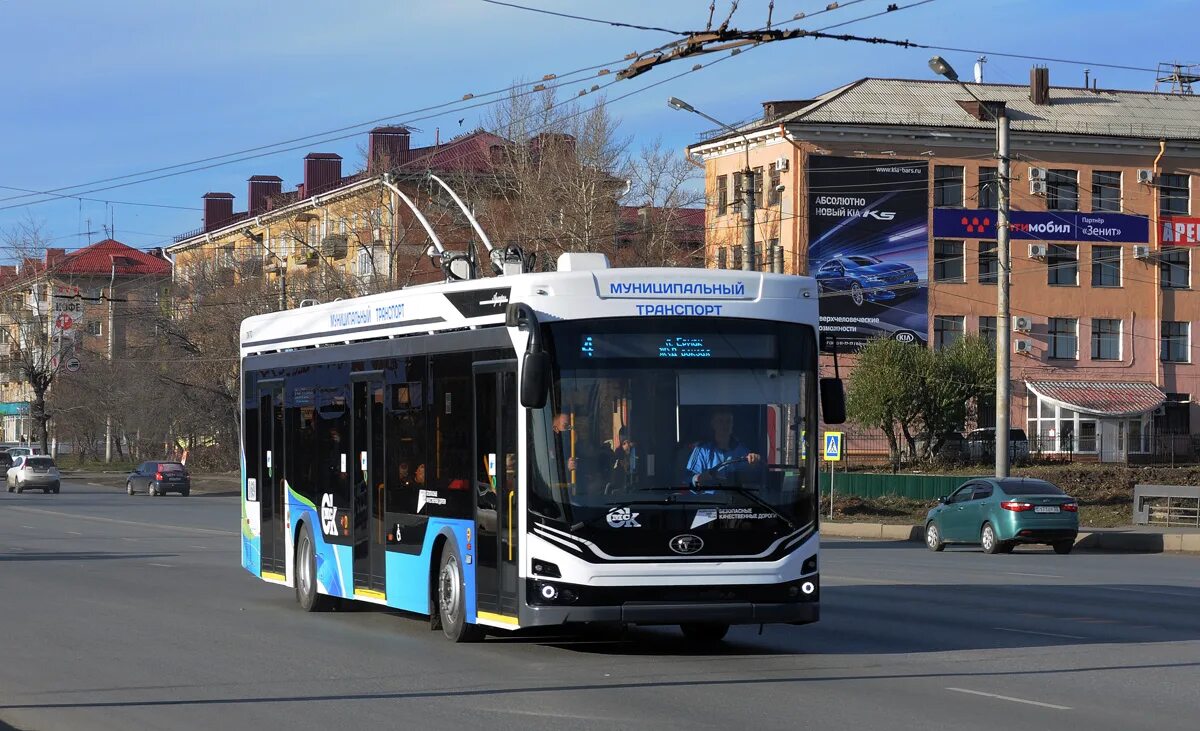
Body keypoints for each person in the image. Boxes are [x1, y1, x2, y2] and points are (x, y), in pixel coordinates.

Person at [686, 409, 762, 487]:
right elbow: (689, 480)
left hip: (738, 497)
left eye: (728, 421)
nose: (724, 425)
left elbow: (758, 479)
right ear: (713, 424)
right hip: (708, 498)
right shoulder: (702, 450)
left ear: (732, 424)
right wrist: (700, 478)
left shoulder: (743, 451)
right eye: (720, 421)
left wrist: (755, 463)